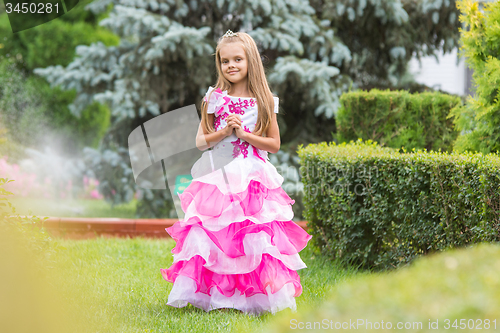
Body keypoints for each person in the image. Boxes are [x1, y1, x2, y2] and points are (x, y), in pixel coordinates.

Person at [160, 29, 312, 316]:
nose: (230, 66)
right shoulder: (214, 98)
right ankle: (216, 295)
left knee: (252, 235)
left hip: (253, 175)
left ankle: (252, 298)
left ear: (250, 60)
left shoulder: (264, 99)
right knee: (217, 234)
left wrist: (243, 133)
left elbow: (274, 144)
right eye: (224, 61)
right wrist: (224, 131)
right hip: (219, 175)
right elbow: (200, 142)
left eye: (237, 59)